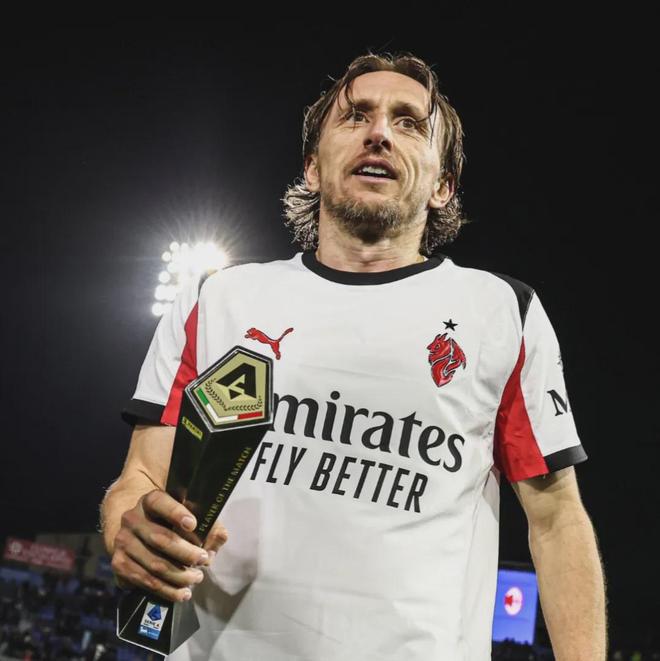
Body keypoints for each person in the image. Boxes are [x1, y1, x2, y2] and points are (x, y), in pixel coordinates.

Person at [100, 52, 607, 660]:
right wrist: (127, 528)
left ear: (443, 185)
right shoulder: (217, 300)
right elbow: (140, 479)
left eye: (409, 122)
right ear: (312, 168)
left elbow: (556, 521)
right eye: (356, 116)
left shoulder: (502, 313)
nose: (379, 132)